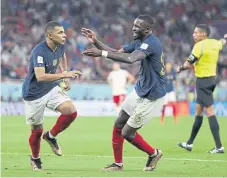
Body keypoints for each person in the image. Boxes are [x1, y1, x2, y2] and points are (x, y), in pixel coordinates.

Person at [82, 14, 166, 171]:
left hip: (152, 95)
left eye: (137, 26)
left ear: (147, 29)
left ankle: (154, 153)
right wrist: (96, 42)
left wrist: (101, 53)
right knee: (119, 124)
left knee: (127, 132)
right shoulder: (138, 42)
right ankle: (118, 164)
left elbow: (130, 59)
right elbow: (117, 52)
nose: (133, 28)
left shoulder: (151, 43)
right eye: (133, 25)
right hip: (140, 89)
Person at [22, 21, 81, 170]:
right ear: (50, 35)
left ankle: (51, 136)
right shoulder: (38, 51)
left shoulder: (60, 45)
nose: (64, 35)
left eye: (63, 32)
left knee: (71, 112)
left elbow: (62, 56)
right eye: (60, 32)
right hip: (34, 94)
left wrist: (65, 77)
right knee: (36, 130)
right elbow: (40, 76)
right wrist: (64, 74)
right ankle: (35, 159)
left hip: (51, 87)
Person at [176, 24, 227, 154]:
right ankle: (189, 143)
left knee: (210, 111)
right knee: (198, 111)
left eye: (196, 32)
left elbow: (188, 63)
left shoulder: (199, 46)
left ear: (203, 34)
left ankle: (219, 146)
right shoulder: (214, 43)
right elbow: (222, 42)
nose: (193, 34)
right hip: (211, 80)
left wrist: (180, 68)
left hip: (203, 82)